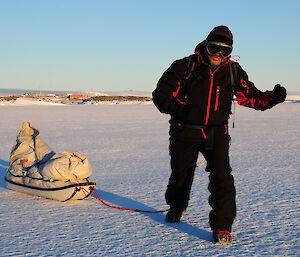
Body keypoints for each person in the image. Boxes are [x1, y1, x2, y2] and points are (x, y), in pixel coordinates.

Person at [152, 25, 286, 245]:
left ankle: (222, 226)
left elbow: (249, 96)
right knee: (180, 175)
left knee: (222, 177)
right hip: (184, 130)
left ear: (230, 52)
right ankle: (177, 206)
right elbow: (161, 96)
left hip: (217, 132)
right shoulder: (185, 66)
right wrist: (183, 110)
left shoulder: (233, 71)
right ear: (206, 44)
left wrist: (272, 98)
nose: (218, 54)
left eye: (224, 51)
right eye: (214, 48)